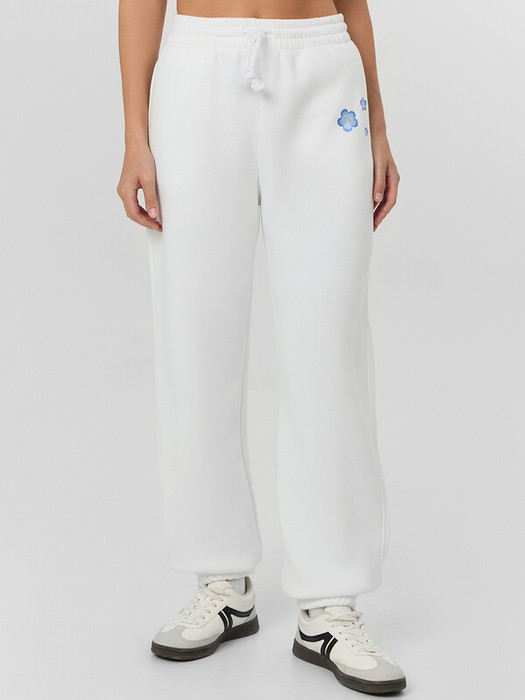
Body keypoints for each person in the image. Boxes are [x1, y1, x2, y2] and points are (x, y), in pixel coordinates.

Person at [117, 0, 404, 693]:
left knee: (328, 346)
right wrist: (135, 135)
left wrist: (379, 129)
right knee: (194, 336)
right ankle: (221, 579)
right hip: (196, 73)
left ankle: (329, 599)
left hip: (320, 68)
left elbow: (354, 4)